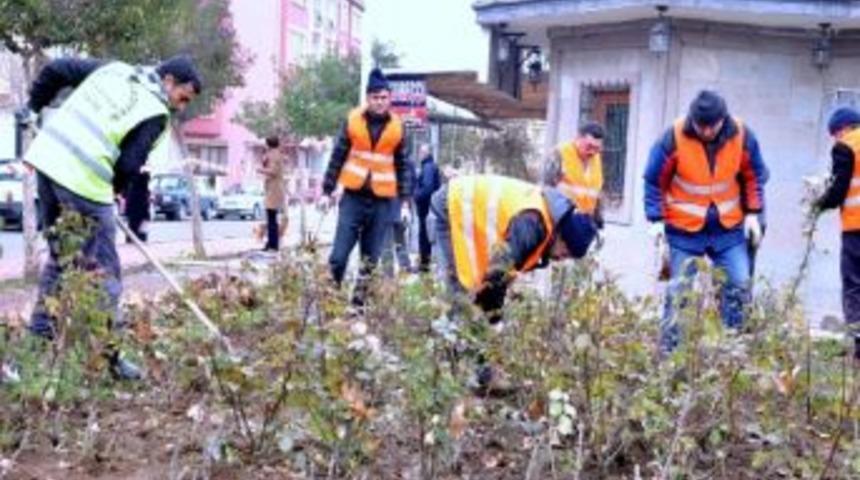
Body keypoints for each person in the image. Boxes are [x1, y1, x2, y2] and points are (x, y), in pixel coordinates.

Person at [23, 55, 202, 380]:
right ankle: (110, 359)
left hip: (47, 165)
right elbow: (129, 165)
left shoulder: (115, 69)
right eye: (183, 98)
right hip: (83, 183)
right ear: (169, 82)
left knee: (61, 262)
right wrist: (113, 192)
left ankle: (33, 351)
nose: (181, 107)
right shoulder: (154, 112)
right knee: (104, 274)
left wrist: (34, 106)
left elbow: (56, 70)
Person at [643, 90, 768, 352]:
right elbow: (654, 180)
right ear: (693, 120)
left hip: (729, 228)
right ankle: (669, 355)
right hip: (683, 230)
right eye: (702, 126)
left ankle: (732, 350)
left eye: (712, 126)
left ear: (723, 120)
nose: (707, 131)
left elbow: (754, 175)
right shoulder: (673, 137)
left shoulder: (742, 135)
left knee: (738, 283)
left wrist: (754, 213)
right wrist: (655, 220)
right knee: (679, 294)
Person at [430, 174, 597, 323]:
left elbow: (505, 270)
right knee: (459, 295)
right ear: (561, 235)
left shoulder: (545, 223)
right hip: (452, 207)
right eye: (565, 252)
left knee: (472, 298)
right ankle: (448, 347)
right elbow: (498, 270)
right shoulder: (533, 224)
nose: (561, 258)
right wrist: (493, 317)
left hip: (463, 208)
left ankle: (461, 342)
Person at [322, 68, 412, 308]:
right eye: (375, 97)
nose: (380, 102)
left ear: (389, 98)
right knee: (338, 257)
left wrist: (405, 203)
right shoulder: (352, 120)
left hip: (383, 202)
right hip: (353, 198)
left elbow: (403, 165)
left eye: (384, 97)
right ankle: (329, 302)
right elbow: (338, 155)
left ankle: (357, 307)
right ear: (368, 98)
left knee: (369, 261)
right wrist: (326, 190)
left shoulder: (398, 127)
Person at [811, 107, 860, 360]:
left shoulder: (846, 146)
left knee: (854, 287)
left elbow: (839, 189)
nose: (834, 139)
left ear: (842, 128)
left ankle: (859, 348)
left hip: (856, 229)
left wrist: (818, 202)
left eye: (834, 134)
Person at [544, 121, 606, 227]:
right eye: (589, 146)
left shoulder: (596, 159)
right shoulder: (559, 154)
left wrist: (598, 218)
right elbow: (546, 188)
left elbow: (597, 191)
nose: (592, 152)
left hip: (585, 222)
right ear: (578, 138)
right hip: (560, 221)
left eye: (597, 148)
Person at [382, 157, 416, 276]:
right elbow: (412, 183)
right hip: (401, 206)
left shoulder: (384, 160)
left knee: (387, 243)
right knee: (400, 240)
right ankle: (404, 265)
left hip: (388, 208)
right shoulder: (408, 161)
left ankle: (388, 272)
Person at [414, 143, 442, 272]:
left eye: (421, 152)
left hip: (425, 207)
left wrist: (416, 195)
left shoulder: (428, 167)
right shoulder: (429, 166)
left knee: (424, 235)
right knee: (426, 235)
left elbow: (427, 188)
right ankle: (425, 263)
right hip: (428, 207)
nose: (419, 154)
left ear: (427, 153)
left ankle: (424, 265)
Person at [258, 136, 286, 252]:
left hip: (274, 190)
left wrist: (260, 170)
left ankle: (273, 244)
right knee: (271, 218)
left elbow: (273, 171)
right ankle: (271, 243)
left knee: (271, 218)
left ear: (267, 144)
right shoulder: (274, 154)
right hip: (273, 189)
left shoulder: (274, 155)